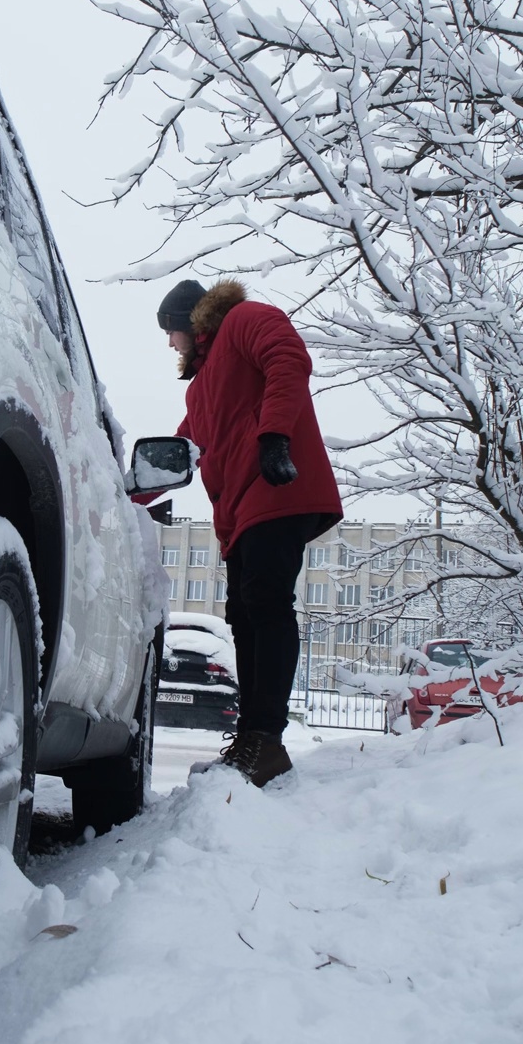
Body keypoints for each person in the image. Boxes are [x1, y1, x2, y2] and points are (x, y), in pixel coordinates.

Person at [156, 277, 343, 787]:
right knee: (243, 614)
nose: (169, 343)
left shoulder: (243, 320)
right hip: (240, 514)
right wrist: (128, 488)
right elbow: (176, 456)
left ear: (192, 323)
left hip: (276, 486)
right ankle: (251, 738)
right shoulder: (200, 390)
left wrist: (275, 434)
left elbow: (288, 358)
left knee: (266, 603)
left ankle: (267, 740)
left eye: (171, 331)